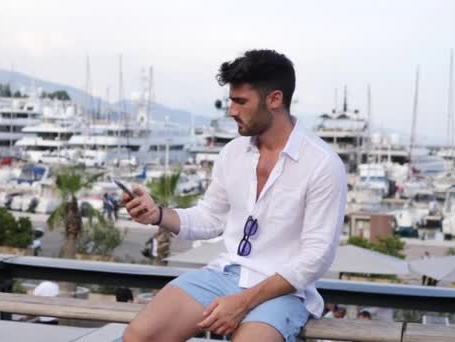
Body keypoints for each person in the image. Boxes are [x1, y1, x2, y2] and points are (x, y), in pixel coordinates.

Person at [122, 50, 347, 342]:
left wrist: (244, 302)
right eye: (231, 100)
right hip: (223, 275)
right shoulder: (233, 153)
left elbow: (316, 257)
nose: (231, 110)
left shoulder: (322, 164)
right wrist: (158, 215)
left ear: (275, 99)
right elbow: (210, 217)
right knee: (138, 336)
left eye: (240, 101)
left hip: (282, 291)